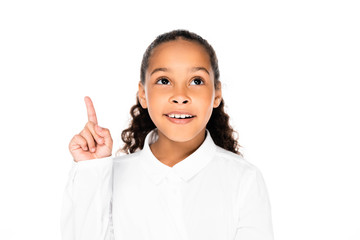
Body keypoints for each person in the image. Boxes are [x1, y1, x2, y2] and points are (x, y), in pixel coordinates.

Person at [61, 29, 274, 240]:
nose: (180, 96)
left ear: (216, 94)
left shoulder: (244, 179)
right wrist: (91, 170)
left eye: (196, 81)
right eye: (164, 81)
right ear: (143, 94)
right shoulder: (105, 174)